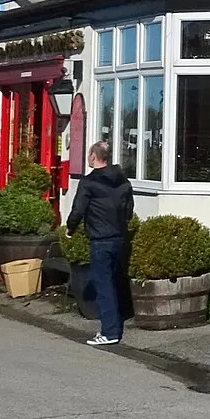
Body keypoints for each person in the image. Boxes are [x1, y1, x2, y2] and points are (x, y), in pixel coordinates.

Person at [66, 141, 134, 346]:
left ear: (94, 157)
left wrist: (70, 228)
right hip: (119, 238)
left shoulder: (88, 183)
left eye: (89, 155)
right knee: (115, 282)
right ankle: (116, 322)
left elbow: (78, 210)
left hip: (100, 240)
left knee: (103, 285)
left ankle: (110, 332)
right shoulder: (123, 180)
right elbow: (129, 209)